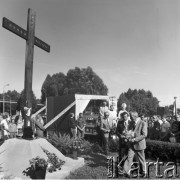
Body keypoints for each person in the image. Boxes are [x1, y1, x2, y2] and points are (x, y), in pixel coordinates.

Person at [123, 111, 147, 178]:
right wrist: (127, 136)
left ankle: (143, 172)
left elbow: (144, 135)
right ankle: (126, 172)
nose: (129, 118)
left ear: (135, 116)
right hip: (131, 144)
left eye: (130, 117)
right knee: (129, 157)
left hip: (140, 144)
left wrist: (135, 139)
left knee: (141, 159)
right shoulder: (131, 122)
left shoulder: (143, 123)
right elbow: (130, 131)